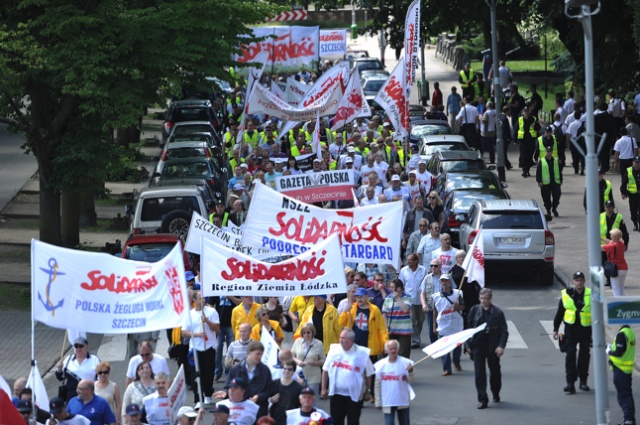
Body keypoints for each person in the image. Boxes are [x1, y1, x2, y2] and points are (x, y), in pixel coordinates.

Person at [321, 329, 375, 425]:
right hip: (336, 394)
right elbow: (325, 370)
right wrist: (323, 388)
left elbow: (369, 374)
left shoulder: (362, 353)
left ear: (351, 340)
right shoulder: (334, 351)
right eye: (340, 338)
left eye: (344, 338)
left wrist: (368, 391)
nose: (341, 340)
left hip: (354, 395)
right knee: (336, 421)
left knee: (353, 421)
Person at [467, 288, 509, 409]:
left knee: (495, 372)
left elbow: (504, 331)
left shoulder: (497, 312)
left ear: (490, 299)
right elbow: (468, 329)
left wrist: (501, 346)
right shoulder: (474, 310)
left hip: (492, 347)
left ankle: (496, 392)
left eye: (486, 299)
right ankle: (482, 398)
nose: (484, 301)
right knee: (479, 373)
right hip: (478, 346)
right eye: (482, 298)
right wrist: (468, 345)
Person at [552, 271, 592, 394]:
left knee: (584, 356)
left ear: (584, 281)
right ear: (573, 281)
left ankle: (583, 381)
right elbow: (560, 313)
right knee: (570, 356)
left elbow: (597, 313)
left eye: (581, 280)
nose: (579, 282)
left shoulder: (591, 294)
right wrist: (555, 329)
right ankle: (570, 383)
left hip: (585, 330)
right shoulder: (567, 294)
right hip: (571, 330)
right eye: (577, 280)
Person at [182, 290, 220, 406]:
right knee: (195, 374)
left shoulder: (212, 311)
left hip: (209, 348)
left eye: (204, 297)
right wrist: (197, 335)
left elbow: (217, 328)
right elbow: (184, 332)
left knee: (208, 374)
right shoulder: (190, 314)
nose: (203, 300)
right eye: (200, 298)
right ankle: (198, 399)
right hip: (195, 349)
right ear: (194, 300)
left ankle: (208, 393)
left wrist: (207, 321)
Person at [216, 341, 272, 419]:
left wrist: (258, 396)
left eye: (261, 354)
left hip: (259, 409)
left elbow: (269, 390)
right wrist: (225, 393)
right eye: (257, 354)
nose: (260, 357)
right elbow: (228, 385)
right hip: (240, 410)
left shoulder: (265, 370)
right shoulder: (235, 369)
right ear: (249, 352)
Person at [339, 287, 389, 361]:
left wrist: (386, 343)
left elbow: (382, 328)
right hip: (354, 346)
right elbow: (341, 323)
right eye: (357, 297)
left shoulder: (374, 310)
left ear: (366, 297)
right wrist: (345, 311)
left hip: (370, 347)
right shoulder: (352, 309)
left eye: (361, 297)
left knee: (371, 371)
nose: (359, 299)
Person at [373, 340, 414, 425]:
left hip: (402, 401)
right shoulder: (380, 365)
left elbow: (411, 380)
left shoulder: (406, 363)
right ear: (386, 351)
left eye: (395, 348)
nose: (393, 351)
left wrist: (411, 372)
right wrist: (378, 401)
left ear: (398, 349)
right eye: (390, 348)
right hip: (387, 401)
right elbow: (377, 385)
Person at [432, 273, 464, 376]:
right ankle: (447, 368)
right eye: (442, 281)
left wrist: (457, 307)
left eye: (446, 280)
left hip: (456, 324)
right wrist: (434, 326)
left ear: (450, 282)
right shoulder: (436, 297)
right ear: (440, 283)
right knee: (444, 347)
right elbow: (435, 311)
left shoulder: (458, 293)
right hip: (443, 325)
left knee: (457, 347)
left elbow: (463, 306)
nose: (444, 283)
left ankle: (456, 362)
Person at [56, 337, 102, 402]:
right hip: (71, 397)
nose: (78, 349)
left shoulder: (95, 360)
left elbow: (101, 378)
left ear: (87, 347)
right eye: (76, 346)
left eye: (81, 346)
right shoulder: (68, 359)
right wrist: (59, 369)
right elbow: (61, 378)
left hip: (88, 396)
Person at [607, 325, 637, 425]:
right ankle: (630, 419)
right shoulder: (631, 333)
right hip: (626, 369)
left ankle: (628, 420)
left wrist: (609, 351)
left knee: (623, 396)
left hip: (621, 370)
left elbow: (619, 352)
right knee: (627, 395)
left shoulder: (622, 334)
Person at [398, 254, 428, 349]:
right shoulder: (403, 271)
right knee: (412, 321)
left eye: (410, 260)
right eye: (407, 260)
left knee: (420, 320)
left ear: (416, 261)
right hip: (408, 300)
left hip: (420, 300)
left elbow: (426, 284)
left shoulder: (423, 270)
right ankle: (415, 340)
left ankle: (416, 335)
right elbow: (400, 284)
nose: (408, 261)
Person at [291, 323, 326, 397]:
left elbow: (323, 360)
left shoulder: (319, 344)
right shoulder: (297, 342)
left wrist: (314, 362)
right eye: (304, 333)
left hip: (314, 376)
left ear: (312, 332)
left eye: (308, 332)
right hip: (299, 375)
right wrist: (298, 361)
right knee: (299, 399)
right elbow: (291, 356)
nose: (306, 334)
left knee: (312, 398)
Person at [269, 359, 303, 424]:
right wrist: (271, 400)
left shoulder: (298, 388)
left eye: (290, 369)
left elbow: (300, 406)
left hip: (291, 419)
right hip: (275, 418)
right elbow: (266, 400)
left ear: (293, 371)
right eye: (285, 368)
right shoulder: (274, 384)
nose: (287, 371)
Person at [536, 145, 563, 221]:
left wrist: (561, 179)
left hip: (555, 182)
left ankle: (554, 208)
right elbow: (538, 172)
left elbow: (559, 171)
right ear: (546, 152)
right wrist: (539, 181)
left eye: (550, 151)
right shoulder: (542, 161)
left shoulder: (556, 160)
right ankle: (548, 210)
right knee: (546, 198)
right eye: (548, 152)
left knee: (556, 197)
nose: (549, 153)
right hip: (545, 183)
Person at [602, 228, 629, 296]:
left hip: (616, 269)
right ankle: (623, 303)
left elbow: (601, 247)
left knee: (616, 289)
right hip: (624, 268)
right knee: (621, 288)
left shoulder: (612, 246)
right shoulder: (621, 243)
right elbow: (609, 241)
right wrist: (601, 238)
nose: (610, 236)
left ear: (614, 237)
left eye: (611, 235)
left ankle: (618, 305)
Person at [514, 107, 539, 178]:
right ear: (523, 112)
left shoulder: (533, 119)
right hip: (522, 141)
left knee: (529, 155)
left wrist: (536, 125)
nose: (526, 113)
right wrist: (515, 140)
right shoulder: (520, 119)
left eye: (527, 111)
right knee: (523, 156)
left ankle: (527, 170)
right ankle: (524, 171)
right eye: (525, 111)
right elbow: (516, 129)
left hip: (531, 140)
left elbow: (538, 128)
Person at [620, 156, 640, 231]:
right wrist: (623, 193)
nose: (637, 164)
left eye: (638, 162)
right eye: (636, 162)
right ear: (633, 163)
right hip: (632, 195)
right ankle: (635, 224)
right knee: (633, 212)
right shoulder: (629, 171)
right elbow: (624, 182)